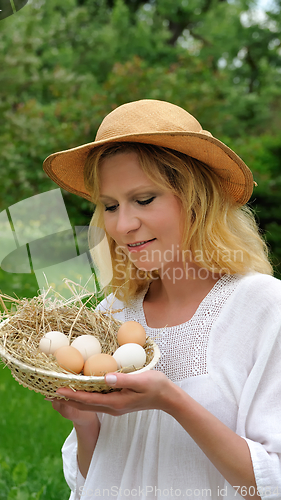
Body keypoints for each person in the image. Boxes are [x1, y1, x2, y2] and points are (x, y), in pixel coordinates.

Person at [43, 100, 281, 500]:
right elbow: (92, 480)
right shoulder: (113, 315)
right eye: (110, 206)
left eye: (144, 199)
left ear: (195, 199)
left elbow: (269, 484)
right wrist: (86, 422)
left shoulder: (262, 308)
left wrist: (172, 401)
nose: (123, 225)